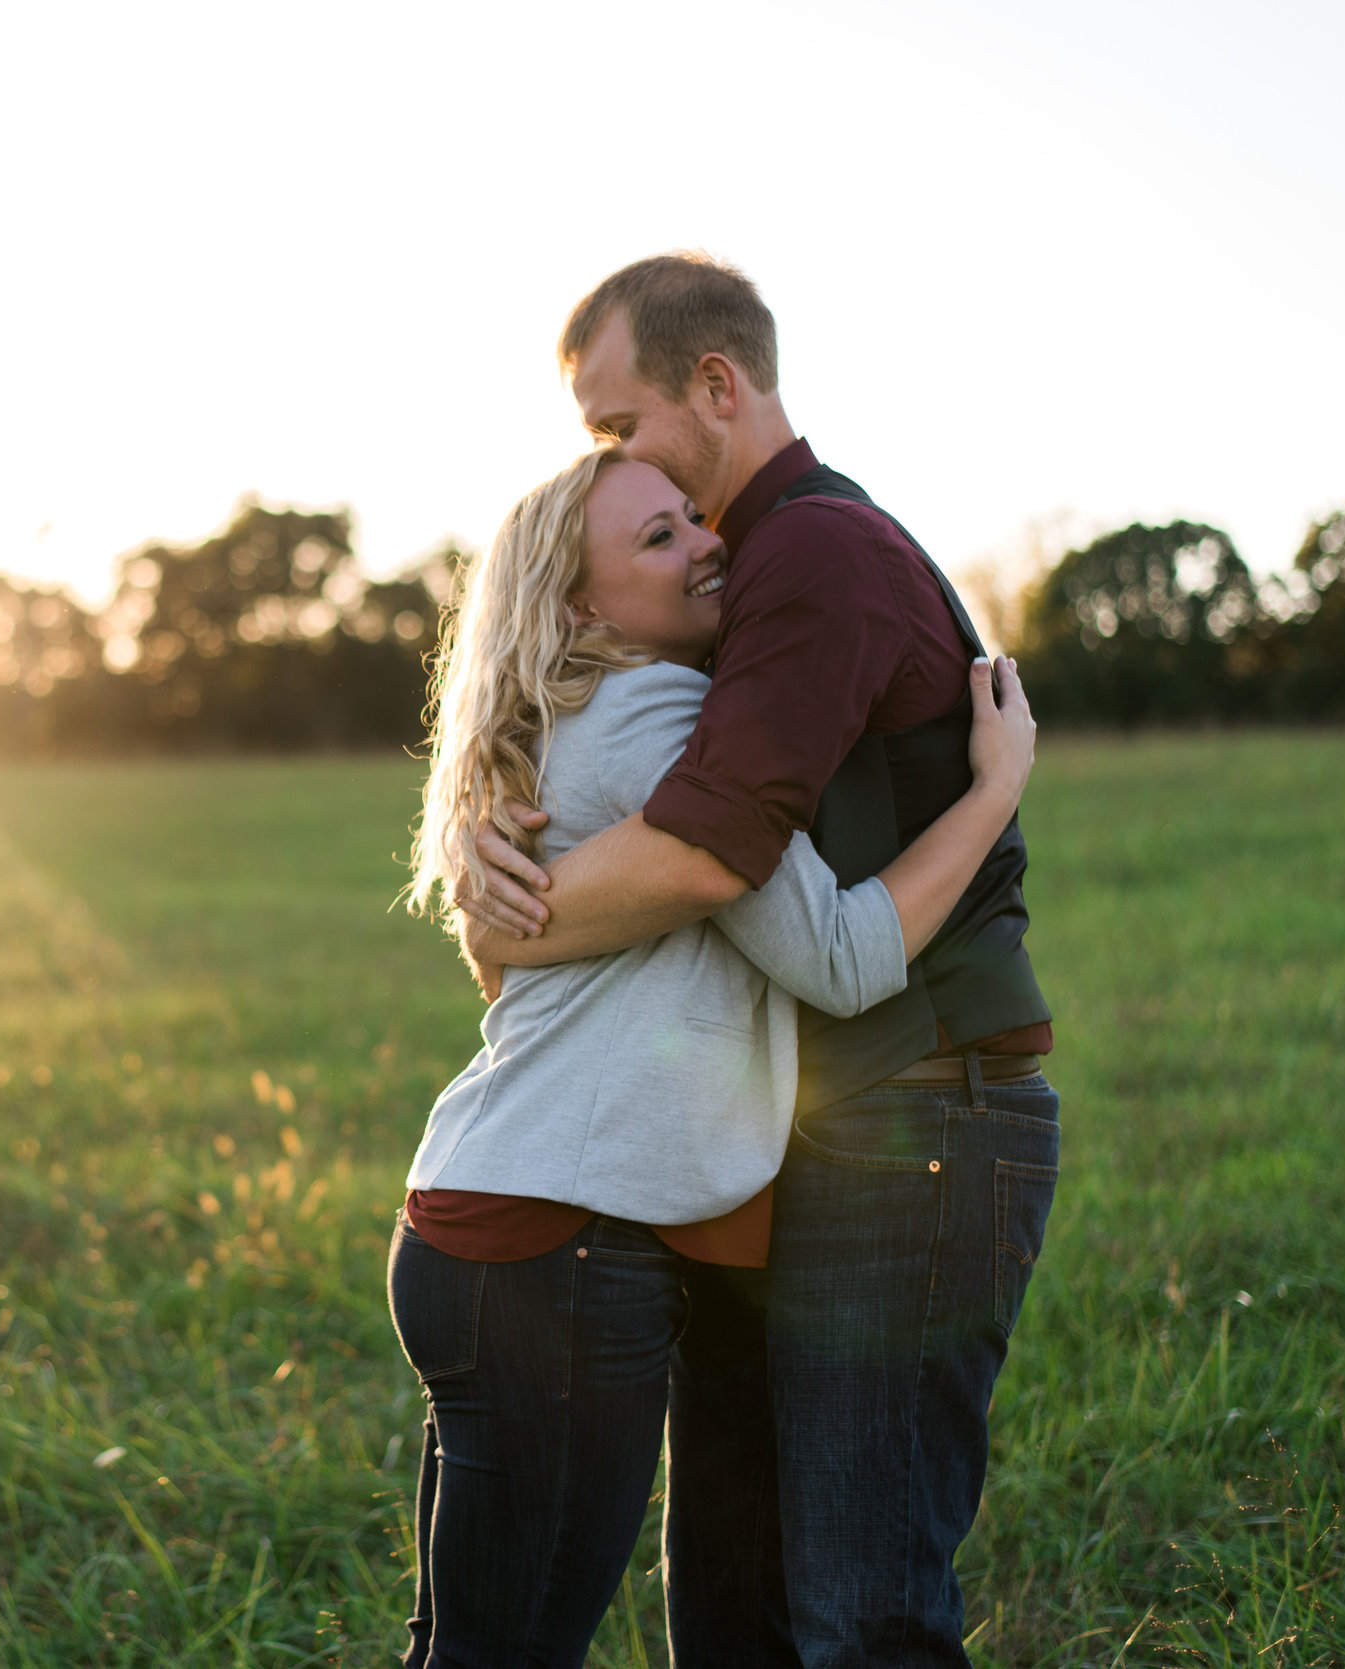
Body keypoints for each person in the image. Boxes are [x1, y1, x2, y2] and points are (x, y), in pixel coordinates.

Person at [458, 253, 1061, 1667]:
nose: (601, 456)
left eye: (617, 426)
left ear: (716, 385)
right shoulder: (720, 602)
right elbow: (640, 779)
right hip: (797, 1125)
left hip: (920, 1103)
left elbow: (708, 846)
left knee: (860, 1612)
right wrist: (494, 831)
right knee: (732, 1593)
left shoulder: (812, 554)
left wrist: (503, 909)